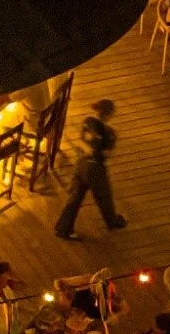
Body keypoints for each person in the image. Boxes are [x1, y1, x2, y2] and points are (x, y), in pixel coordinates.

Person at [54, 100, 126, 240]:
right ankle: (112, 221)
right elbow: (106, 154)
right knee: (104, 196)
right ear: (109, 114)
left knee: (75, 197)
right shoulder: (109, 134)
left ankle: (63, 227)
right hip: (95, 168)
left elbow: (81, 142)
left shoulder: (87, 123)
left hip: (81, 163)